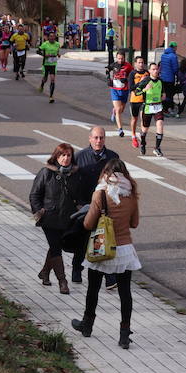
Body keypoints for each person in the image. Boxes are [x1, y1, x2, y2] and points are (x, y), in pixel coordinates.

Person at [70, 159, 141, 349]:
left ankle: (87, 325)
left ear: (106, 173)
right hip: (124, 250)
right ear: (124, 174)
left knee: (93, 288)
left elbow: (88, 224)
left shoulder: (100, 193)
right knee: (125, 292)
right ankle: (124, 334)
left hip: (101, 247)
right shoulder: (131, 195)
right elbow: (134, 223)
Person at [29, 143, 83, 295]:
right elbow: (34, 194)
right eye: (62, 155)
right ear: (56, 156)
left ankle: (45, 272)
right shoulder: (46, 172)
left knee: (56, 246)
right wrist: (39, 211)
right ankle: (62, 281)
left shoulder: (76, 174)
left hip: (68, 218)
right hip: (49, 218)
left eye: (68, 155)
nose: (65, 158)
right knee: (55, 247)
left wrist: (79, 208)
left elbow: (79, 195)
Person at [73, 126, 120, 288]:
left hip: (105, 206)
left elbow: (118, 181)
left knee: (103, 239)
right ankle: (76, 270)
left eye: (101, 138)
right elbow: (74, 183)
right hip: (85, 205)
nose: (98, 141)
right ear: (90, 138)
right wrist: (78, 203)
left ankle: (109, 277)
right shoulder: (79, 157)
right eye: (96, 138)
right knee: (83, 239)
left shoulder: (113, 157)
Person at [133, 62, 166, 156]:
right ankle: (143, 143)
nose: (156, 71)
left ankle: (157, 148)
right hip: (147, 107)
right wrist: (145, 89)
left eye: (157, 69)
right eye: (153, 69)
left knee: (160, 124)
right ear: (149, 71)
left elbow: (163, 92)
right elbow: (136, 92)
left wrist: (163, 96)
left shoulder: (160, 81)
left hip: (158, 106)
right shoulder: (146, 80)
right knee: (145, 129)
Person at [106, 51, 134, 137]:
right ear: (116, 57)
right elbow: (107, 69)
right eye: (118, 58)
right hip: (114, 89)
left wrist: (126, 80)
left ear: (124, 58)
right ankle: (120, 129)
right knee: (118, 110)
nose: (120, 60)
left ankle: (114, 111)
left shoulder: (128, 66)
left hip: (124, 90)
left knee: (120, 110)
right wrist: (108, 79)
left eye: (122, 58)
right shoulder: (114, 65)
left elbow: (132, 75)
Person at [126, 55, 149, 148]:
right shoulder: (132, 74)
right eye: (139, 62)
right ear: (135, 64)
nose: (141, 64)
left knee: (143, 118)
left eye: (142, 62)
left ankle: (142, 135)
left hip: (144, 100)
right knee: (134, 119)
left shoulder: (147, 73)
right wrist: (141, 82)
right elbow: (131, 87)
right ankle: (133, 135)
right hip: (134, 99)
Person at [37, 30, 61, 104]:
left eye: (53, 36)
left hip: (53, 64)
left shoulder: (57, 44)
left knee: (52, 79)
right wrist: (44, 55)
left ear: (55, 37)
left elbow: (57, 52)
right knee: (45, 79)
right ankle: (42, 84)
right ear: (48, 37)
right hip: (46, 64)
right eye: (50, 36)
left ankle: (51, 96)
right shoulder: (45, 44)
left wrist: (58, 54)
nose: (52, 37)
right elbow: (38, 51)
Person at [159, 41, 180, 114]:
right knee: (169, 94)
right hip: (170, 78)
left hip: (162, 78)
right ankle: (167, 109)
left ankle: (163, 108)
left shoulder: (163, 55)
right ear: (174, 48)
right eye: (176, 47)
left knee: (164, 93)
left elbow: (161, 66)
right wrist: (178, 76)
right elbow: (175, 69)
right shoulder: (173, 56)